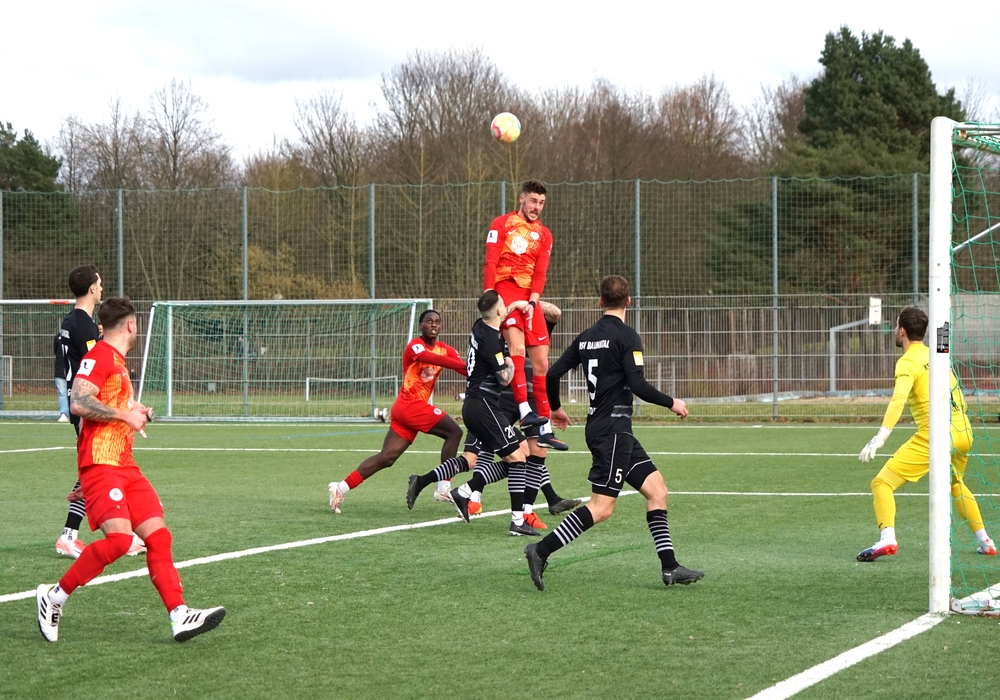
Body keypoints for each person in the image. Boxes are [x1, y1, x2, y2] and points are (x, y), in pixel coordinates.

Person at [36, 297, 225, 643]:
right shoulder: (100, 356)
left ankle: (179, 615)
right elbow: (79, 401)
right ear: (132, 325)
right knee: (121, 540)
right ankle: (53, 597)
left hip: (124, 465)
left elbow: (107, 402)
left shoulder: (118, 363)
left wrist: (136, 409)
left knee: (159, 536)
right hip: (102, 464)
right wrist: (123, 418)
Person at [524, 275, 704, 590]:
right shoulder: (627, 336)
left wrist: (555, 408)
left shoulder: (586, 337)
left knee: (657, 491)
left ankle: (670, 567)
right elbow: (637, 384)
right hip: (612, 432)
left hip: (611, 430)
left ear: (600, 301)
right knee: (602, 507)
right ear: (628, 301)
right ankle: (540, 550)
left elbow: (552, 374)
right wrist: (672, 402)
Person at [856, 306, 996, 561]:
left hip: (937, 435)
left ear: (902, 331)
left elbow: (898, 399)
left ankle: (887, 538)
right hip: (964, 431)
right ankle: (986, 541)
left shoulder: (907, 361)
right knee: (956, 484)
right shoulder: (939, 354)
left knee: (881, 483)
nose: (894, 330)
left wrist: (881, 436)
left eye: (896, 326)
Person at [328, 309, 467, 513]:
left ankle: (340, 488)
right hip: (410, 404)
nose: (434, 324)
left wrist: (485, 370)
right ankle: (443, 488)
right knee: (454, 432)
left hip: (409, 410)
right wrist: (460, 365)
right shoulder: (415, 346)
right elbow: (431, 358)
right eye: (429, 321)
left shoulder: (445, 349)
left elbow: (464, 368)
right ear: (420, 326)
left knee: (387, 457)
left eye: (437, 321)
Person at [55, 264, 145, 559]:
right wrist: (124, 406)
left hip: (79, 403)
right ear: (93, 288)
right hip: (87, 406)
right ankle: (77, 534)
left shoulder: (70, 322)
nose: (102, 288)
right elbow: (97, 370)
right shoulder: (85, 327)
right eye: (100, 284)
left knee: (102, 466)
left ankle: (117, 530)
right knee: (104, 463)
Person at [483, 179, 567, 451]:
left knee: (541, 364)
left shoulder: (544, 234)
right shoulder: (502, 224)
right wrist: (490, 297)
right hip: (505, 292)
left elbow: (540, 272)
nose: (537, 207)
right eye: (533, 201)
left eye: (541, 203)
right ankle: (524, 411)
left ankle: (545, 429)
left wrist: (533, 301)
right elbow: (490, 261)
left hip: (530, 298)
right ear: (522, 199)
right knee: (517, 349)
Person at [448, 290, 540, 536]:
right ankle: (516, 521)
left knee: (522, 454)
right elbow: (504, 379)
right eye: (503, 304)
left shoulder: (480, 325)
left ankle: (465, 491)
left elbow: (500, 312)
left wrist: (519, 303)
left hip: (477, 406)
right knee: (518, 459)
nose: (505, 307)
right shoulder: (491, 340)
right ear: (498, 310)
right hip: (484, 406)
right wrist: (513, 359)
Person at [54, 332, 69, 422]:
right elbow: (56, 351)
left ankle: (75, 414)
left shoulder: (76, 334)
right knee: (62, 392)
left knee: (73, 393)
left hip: (73, 370)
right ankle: (64, 414)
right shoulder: (58, 337)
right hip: (59, 371)